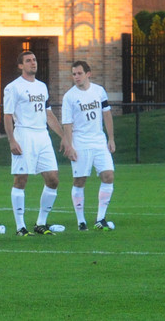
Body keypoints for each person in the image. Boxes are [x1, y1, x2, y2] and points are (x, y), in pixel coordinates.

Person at [4, 51, 69, 236]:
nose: (33, 63)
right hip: (24, 135)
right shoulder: (13, 88)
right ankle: (20, 227)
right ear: (20, 66)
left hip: (43, 136)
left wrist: (63, 136)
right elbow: (7, 115)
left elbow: (48, 114)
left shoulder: (41, 87)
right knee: (21, 180)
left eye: (34, 60)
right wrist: (12, 140)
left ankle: (41, 223)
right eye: (28, 61)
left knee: (53, 179)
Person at [61, 60, 116, 231]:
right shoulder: (69, 97)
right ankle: (81, 221)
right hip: (80, 143)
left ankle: (100, 218)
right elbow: (67, 124)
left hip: (99, 141)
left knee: (108, 176)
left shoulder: (99, 91)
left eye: (79, 73)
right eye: (74, 74)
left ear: (88, 74)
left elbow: (107, 115)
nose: (76, 77)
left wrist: (111, 138)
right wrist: (69, 146)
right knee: (80, 180)